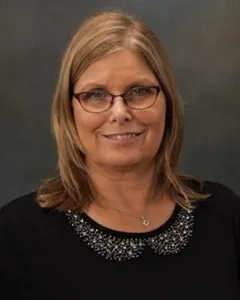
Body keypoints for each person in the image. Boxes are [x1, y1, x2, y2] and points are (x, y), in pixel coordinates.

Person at [0, 10, 239, 300]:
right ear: (68, 111)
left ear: (167, 101)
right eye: (95, 95)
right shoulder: (17, 235)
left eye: (139, 91)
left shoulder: (224, 215)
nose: (120, 113)